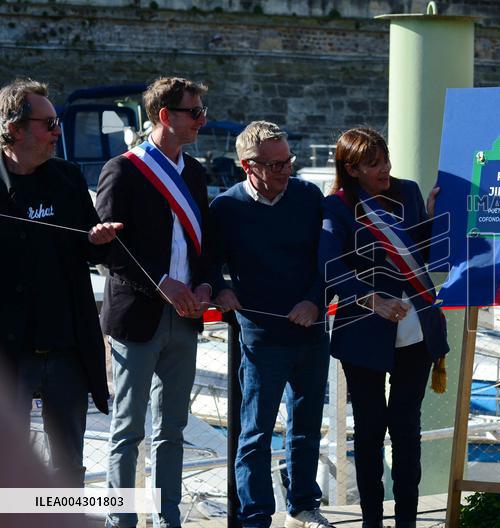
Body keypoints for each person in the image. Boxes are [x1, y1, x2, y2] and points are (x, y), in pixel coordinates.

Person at [96, 77, 213, 528]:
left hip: (186, 316)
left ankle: (168, 519)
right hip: (138, 316)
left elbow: (205, 245)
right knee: (127, 431)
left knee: (173, 431)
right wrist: (162, 282)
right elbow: (110, 250)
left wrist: (203, 286)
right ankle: (121, 521)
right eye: (195, 113)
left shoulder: (197, 174)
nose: (202, 120)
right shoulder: (123, 170)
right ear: (165, 116)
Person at [318, 127, 448, 528]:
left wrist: (428, 215)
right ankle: (372, 520)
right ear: (352, 168)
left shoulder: (407, 192)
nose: (385, 169)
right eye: (374, 164)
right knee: (371, 429)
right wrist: (369, 298)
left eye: (386, 159)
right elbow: (330, 266)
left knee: (406, 427)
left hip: (416, 326)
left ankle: (407, 519)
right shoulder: (336, 207)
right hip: (364, 330)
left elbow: (421, 252)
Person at [208, 121, 332, 528]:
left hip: (311, 332)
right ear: (249, 166)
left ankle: (302, 506)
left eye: (288, 162)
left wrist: (315, 302)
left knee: (307, 427)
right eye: (275, 165)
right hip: (260, 337)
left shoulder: (308, 196)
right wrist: (222, 292)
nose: (285, 171)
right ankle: (256, 516)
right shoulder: (226, 208)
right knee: (256, 434)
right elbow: (207, 262)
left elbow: (327, 261)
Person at [0, 78, 121, 486]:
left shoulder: (68, 179)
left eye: (57, 122)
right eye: (48, 123)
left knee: (69, 464)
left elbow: (91, 250)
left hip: (67, 346)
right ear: (14, 128)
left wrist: (99, 240)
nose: (57, 132)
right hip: (9, 353)